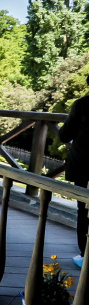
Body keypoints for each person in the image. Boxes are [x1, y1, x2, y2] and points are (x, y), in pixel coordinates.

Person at [58, 75, 89, 268]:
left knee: (83, 209)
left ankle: (85, 254)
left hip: (83, 163)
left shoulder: (82, 105)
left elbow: (64, 135)